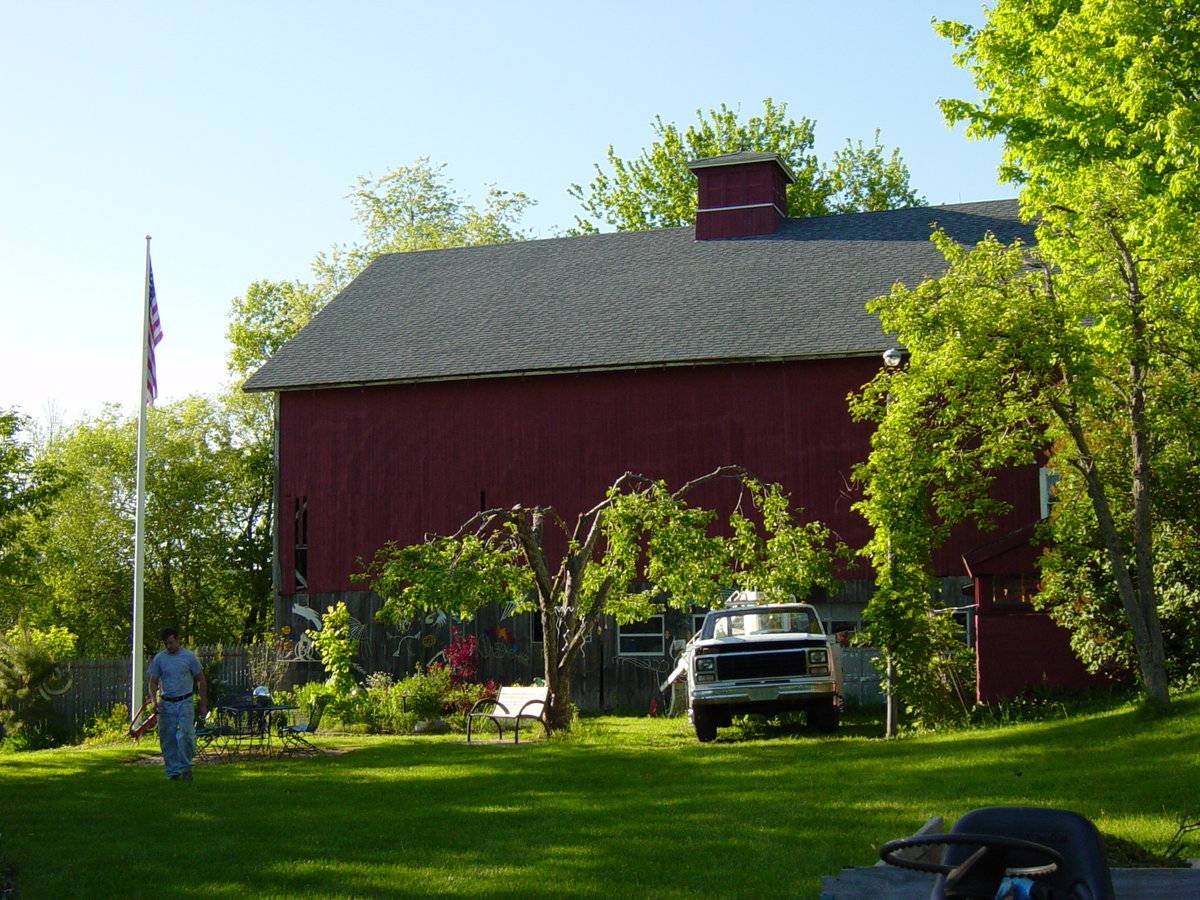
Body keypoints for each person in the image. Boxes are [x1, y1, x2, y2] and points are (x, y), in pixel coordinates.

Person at [147, 627, 208, 781]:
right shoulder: (160, 659)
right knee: (168, 738)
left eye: (171, 642)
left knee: (185, 735)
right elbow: (153, 682)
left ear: (178, 640)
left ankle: (186, 767)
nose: (169, 646)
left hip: (185, 701)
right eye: (166, 644)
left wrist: (203, 704)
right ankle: (173, 772)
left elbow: (201, 680)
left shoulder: (189, 657)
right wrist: (154, 701)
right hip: (166, 703)